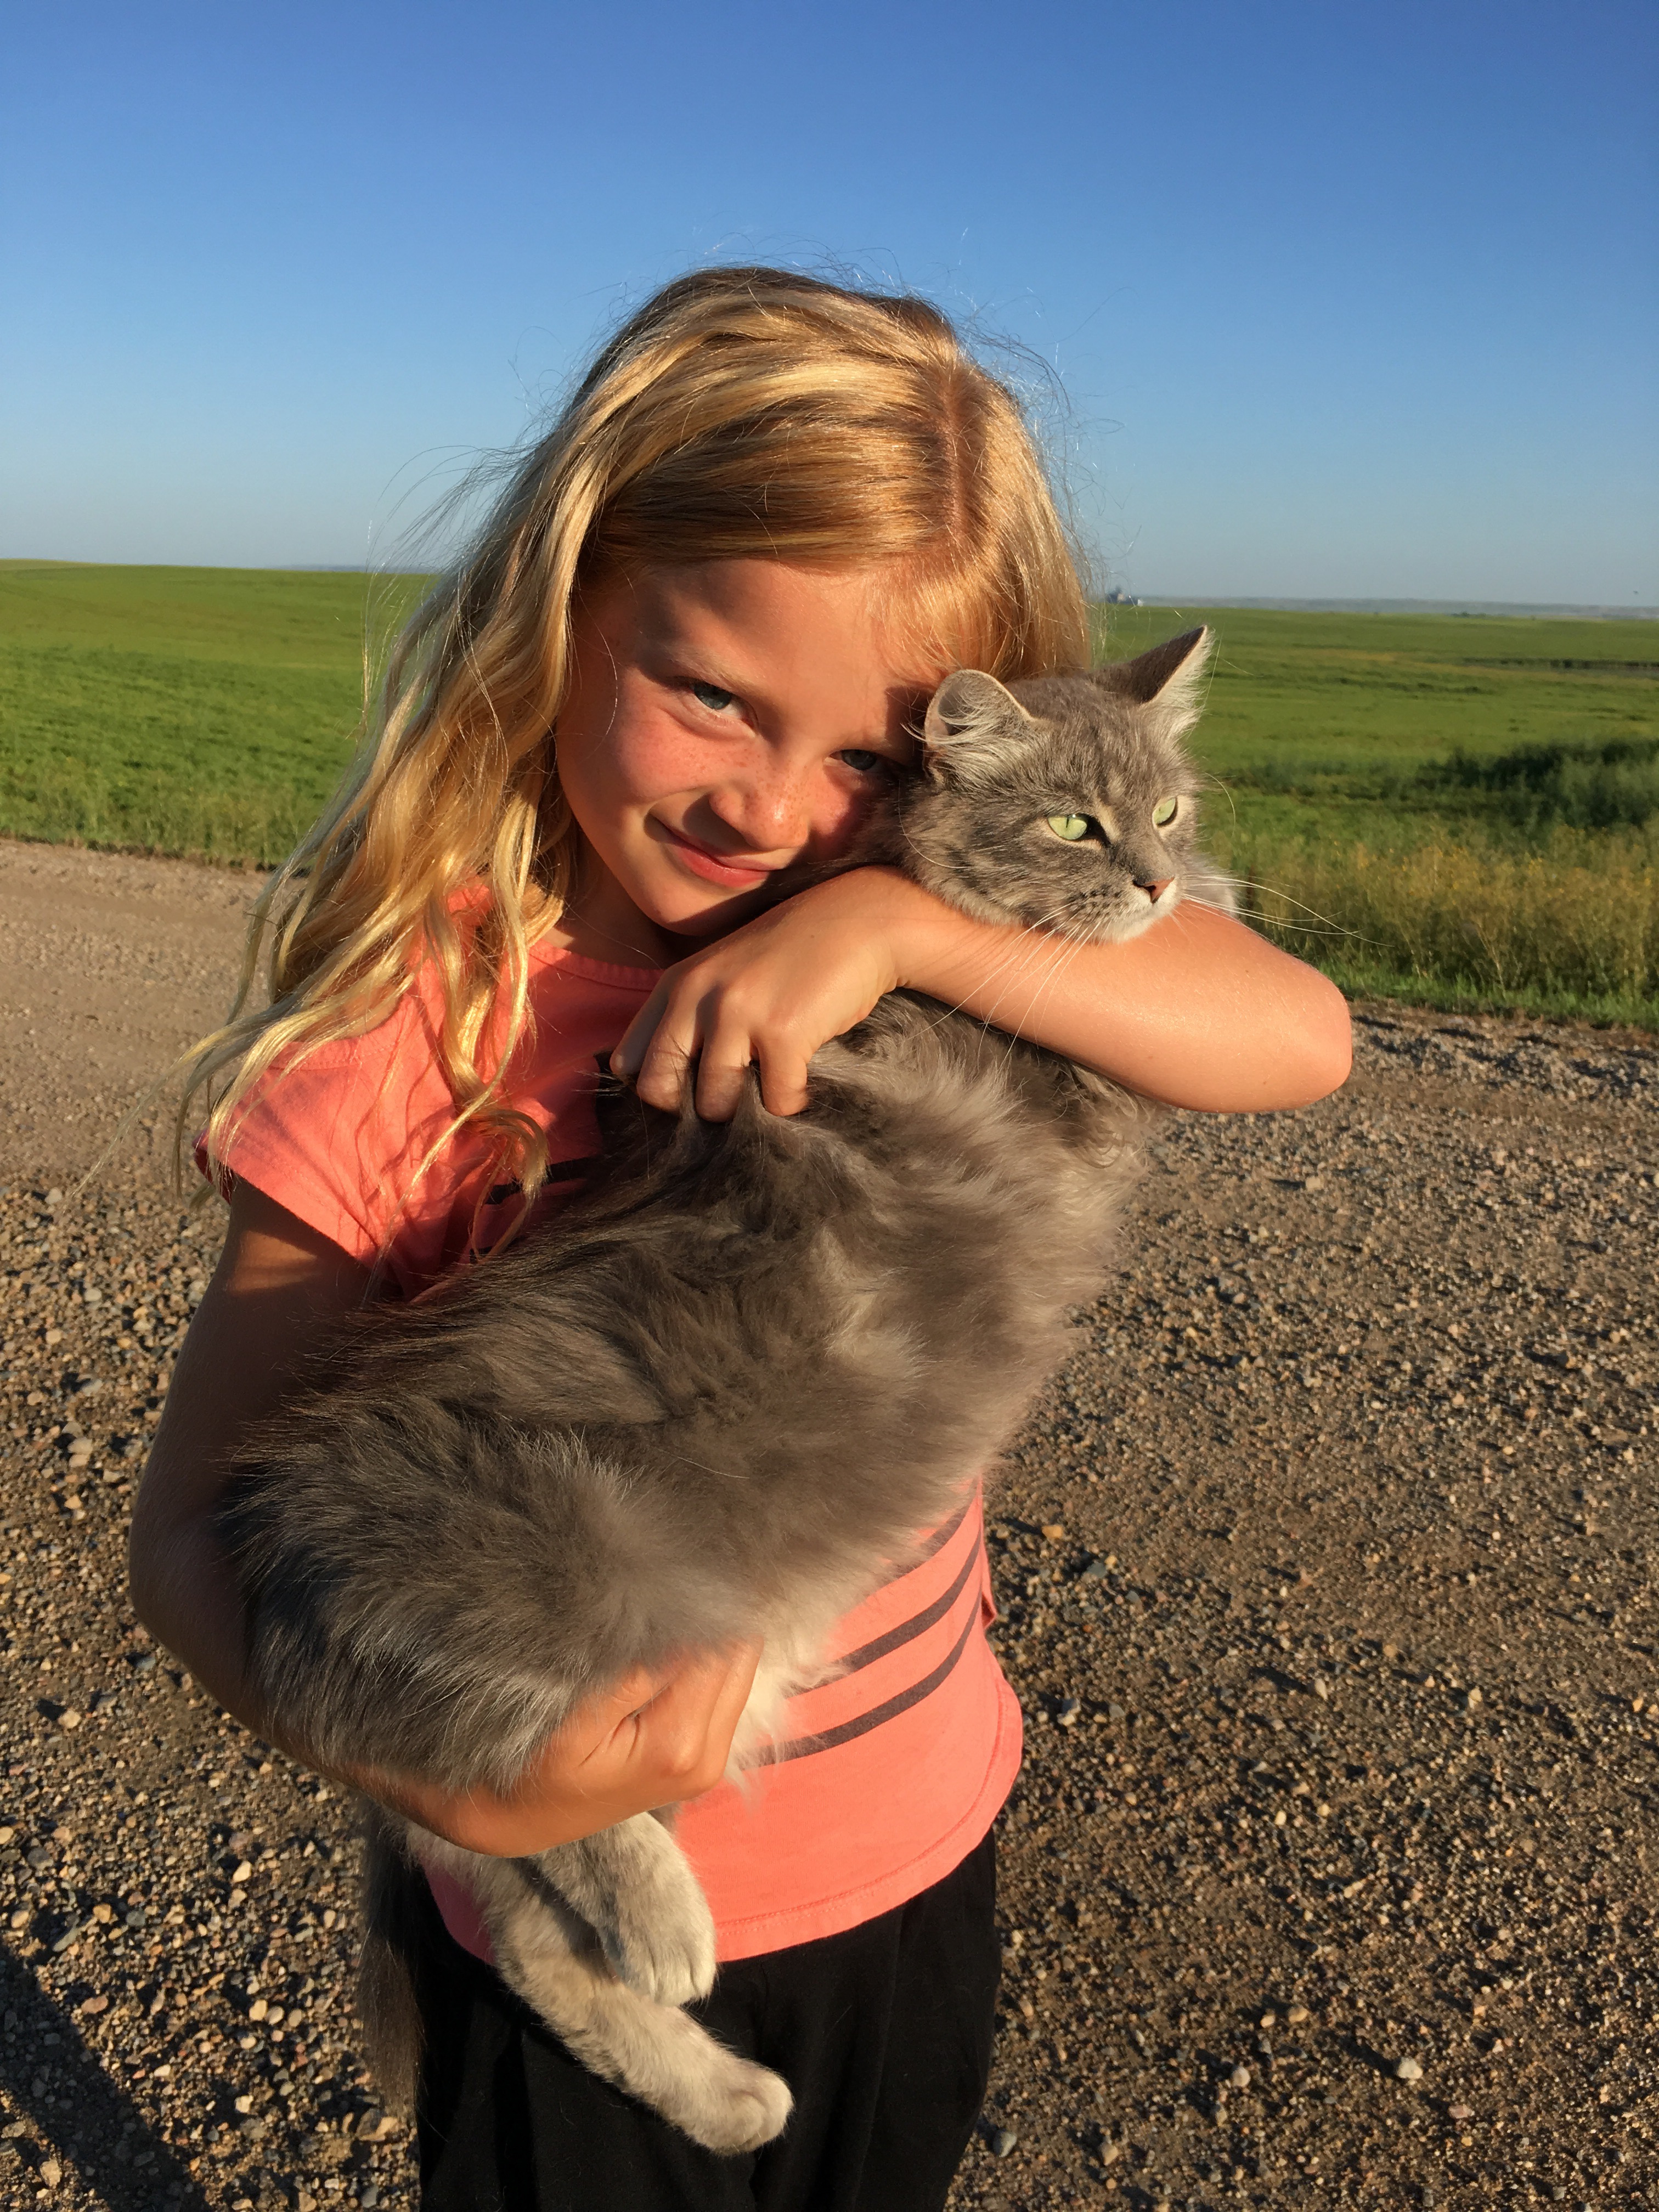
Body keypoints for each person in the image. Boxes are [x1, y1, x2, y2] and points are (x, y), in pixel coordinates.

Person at [128, 268, 1351, 2211]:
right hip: (562, 1839)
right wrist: (460, 1796)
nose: (776, 804)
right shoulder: (406, 1041)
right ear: (561, 615)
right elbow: (198, 1542)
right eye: (710, 691)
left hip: (918, 1836)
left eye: (867, 754)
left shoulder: (939, 936)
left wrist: (897, 923)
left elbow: (1299, 1037)